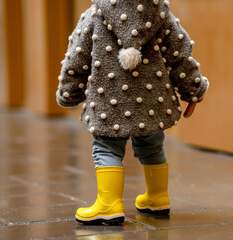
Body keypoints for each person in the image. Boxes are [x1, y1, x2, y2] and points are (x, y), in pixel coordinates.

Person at [56, 0, 209, 225]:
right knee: (152, 145)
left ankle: (109, 204)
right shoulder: (160, 12)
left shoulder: (95, 14)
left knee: (106, 147)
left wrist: (69, 92)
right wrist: (193, 88)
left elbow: (77, 57)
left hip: (108, 99)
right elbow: (179, 54)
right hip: (152, 99)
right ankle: (157, 198)